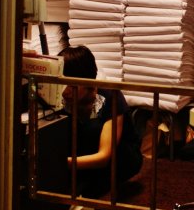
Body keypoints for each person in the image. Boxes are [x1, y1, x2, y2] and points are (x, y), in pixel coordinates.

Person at [58, 46, 142, 200]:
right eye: (62, 83)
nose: (65, 91)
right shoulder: (61, 98)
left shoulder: (111, 97)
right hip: (81, 156)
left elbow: (104, 156)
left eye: (71, 84)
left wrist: (60, 164)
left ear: (87, 81)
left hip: (119, 157)